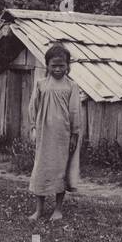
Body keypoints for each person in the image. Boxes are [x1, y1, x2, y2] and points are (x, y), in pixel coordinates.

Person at [27, 43, 84, 221]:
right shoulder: (41, 84)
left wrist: (74, 134)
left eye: (62, 65)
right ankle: (39, 209)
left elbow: (75, 111)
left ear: (68, 66)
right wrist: (33, 128)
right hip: (44, 135)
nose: (58, 69)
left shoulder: (71, 86)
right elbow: (33, 108)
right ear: (47, 65)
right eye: (54, 65)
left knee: (60, 170)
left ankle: (58, 209)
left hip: (63, 136)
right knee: (41, 169)